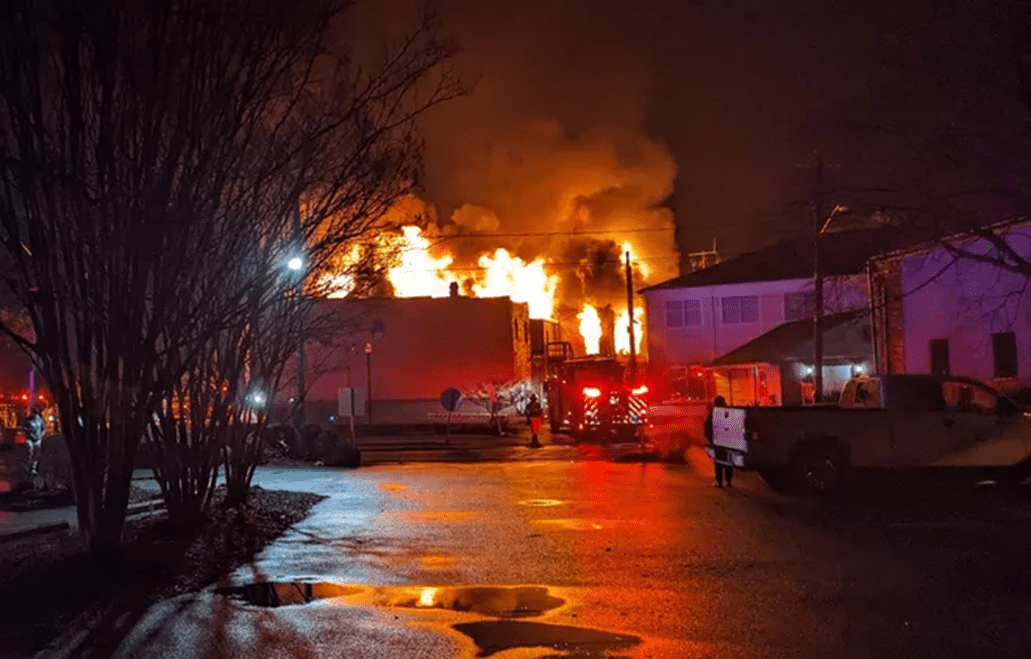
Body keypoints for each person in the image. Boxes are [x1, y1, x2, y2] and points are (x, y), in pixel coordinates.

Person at [703, 395, 733, 487]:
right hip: (728, 441)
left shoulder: (714, 413)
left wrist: (710, 439)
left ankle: (718, 481)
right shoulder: (729, 412)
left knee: (718, 461)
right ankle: (728, 481)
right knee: (728, 461)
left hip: (718, 441)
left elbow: (707, 426)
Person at [23, 405, 46, 481]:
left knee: (36, 454)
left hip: (37, 439)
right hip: (30, 438)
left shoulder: (40, 420)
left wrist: (41, 435)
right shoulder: (27, 420)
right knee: (30, 452)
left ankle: (33, 468)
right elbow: (24, 428)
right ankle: (28, 465)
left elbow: (43, 427)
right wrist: (28, 431)